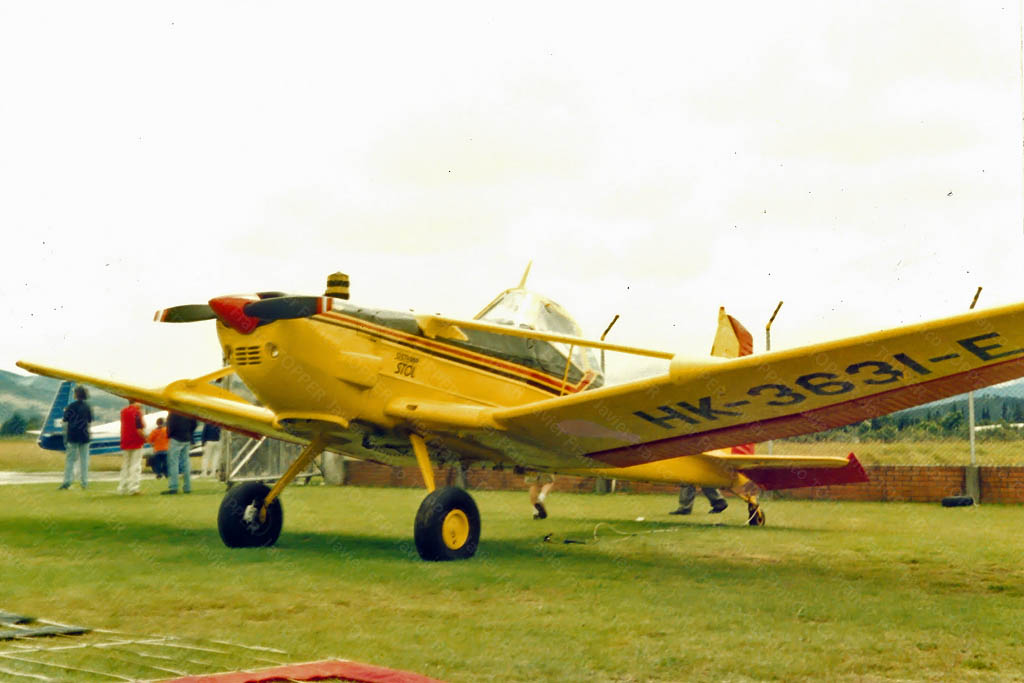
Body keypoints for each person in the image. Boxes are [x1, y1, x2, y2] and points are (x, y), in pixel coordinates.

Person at [58, 386, 93, 490]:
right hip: (85, 435)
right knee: (84, 460)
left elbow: (65, 419)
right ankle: (84, 482)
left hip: (73, 436)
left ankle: (67, 481)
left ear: (76, 394)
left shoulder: (71, 406)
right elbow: (90, 420)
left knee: (70, 460)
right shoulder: (87, 407)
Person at [163, 411, 197, 495]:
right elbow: (194, 424)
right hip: (186, 438)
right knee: (186, 463)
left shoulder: (173, 412)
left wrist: (170, 434)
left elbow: (170, 425)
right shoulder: (189, 411)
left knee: (174, 463)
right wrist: (189, 433)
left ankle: (173, 487)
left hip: (176, 438)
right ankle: (187, 487)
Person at [117, 400, 146, 495]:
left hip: (125, 440)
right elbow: (140, 428)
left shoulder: (123, 411)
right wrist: (146, 438)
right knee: (136, 465)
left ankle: (122, 487)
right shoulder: (137, 412)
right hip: (136, 441)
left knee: (126, 465)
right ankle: (133, 488)